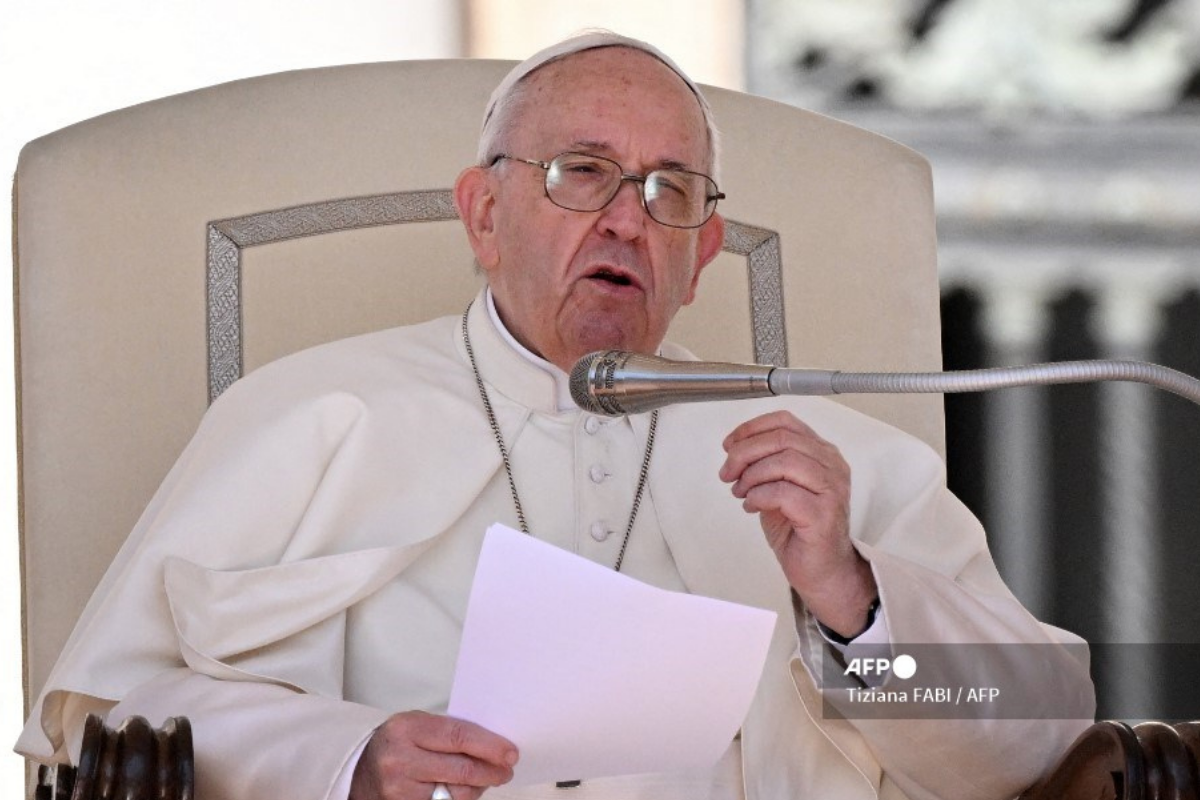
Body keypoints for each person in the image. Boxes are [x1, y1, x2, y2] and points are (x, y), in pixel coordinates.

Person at [17, 32, 1094, 800]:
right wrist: (346, 761)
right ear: (485, 213)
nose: (629, 217)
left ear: (700, 257)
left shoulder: (836, 462)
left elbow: (1041, 746)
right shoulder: (313, 413)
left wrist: (855, 598)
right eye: (584, 174)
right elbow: (102, 720)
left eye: (672, 192)